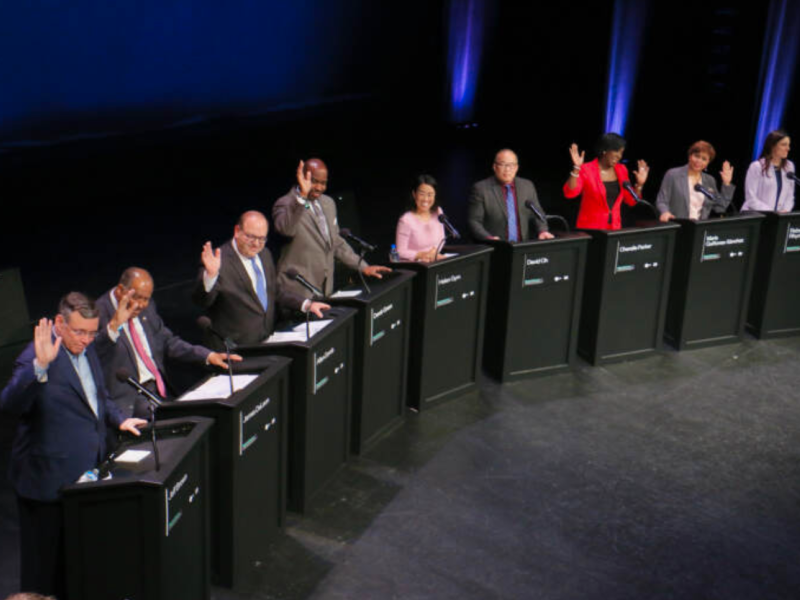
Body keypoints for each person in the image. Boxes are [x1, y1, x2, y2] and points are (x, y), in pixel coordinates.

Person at [0, 292, 146, 598]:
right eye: (79, 332)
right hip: (46, 484)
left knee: (76, 561)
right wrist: (39, 366)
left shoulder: (86, 347)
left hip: (83, 477)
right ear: (59, 323)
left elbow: (98, 394)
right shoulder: (34, 357)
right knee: (43, 572)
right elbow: (10, 404)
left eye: (91, 333)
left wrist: (118, 419)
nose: (86, 339)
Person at [95, 267, 242, 417]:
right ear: (120, 290)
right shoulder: (98, 313)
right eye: (137, 297)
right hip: (129, 402)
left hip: (158, 391)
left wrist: (208, 355)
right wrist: (113, 326)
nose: (141, 304)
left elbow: (167, 342)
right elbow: (93, 358)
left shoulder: (147, 307)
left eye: (146, 299)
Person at [193, 210, 329, 349]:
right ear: (237, 231)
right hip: (234, 350)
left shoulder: (265, 254)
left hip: (266, 341)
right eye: (251, 237)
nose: (256, 244)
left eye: (262, 238)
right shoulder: (218, 260)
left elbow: (274, 291)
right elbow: (201, 301)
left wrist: (306, 304)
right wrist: (210, 277)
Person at [272, 159, 391, 297]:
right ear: (303, 178)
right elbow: (286, 230)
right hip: (297, 291)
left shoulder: (328, 203)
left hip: (324, 290)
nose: (319, 187)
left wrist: (363, 267)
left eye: (323, 183)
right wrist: (302, 197)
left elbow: (335, 242)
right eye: (314, 181)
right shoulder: (285, 204)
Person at [564, 133, 649, 230]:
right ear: (604, 150)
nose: (619, 156)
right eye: (616, 151)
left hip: (614, 229)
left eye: (621, 152)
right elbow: (570, 193)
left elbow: (631, 200)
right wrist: (576, 168)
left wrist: (639, 185)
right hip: (591, 230)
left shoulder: (621, 170)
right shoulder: (586, 169)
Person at [468, 149, 554, 242]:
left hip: (522, 247)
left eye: (512, 165)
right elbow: (474, 221)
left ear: (517, 167)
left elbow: (537, 213)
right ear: (495, 167)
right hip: (494, 247)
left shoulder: (527, 186)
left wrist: (542, 230)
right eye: (503, 164)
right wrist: (489, 238)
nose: (507, 169)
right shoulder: (481, 189)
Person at [656, 141, 735, 221]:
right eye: (697, 156)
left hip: (699, 228)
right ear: (690, 156)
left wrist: (726, 183)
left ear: (708, 163)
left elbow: (720, 207)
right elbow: (662, 201)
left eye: (704, 159)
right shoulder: (673, 175)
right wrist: (665, 212)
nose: (699, 161)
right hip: (677, 225)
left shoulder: (709, 180)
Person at [395, 174, 447, 262]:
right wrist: (421, 255)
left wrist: (434, 251)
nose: (426, 199)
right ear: (414, 194)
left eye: (430, 194)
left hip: (435, 261)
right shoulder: (406, 220)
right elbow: (400, 251)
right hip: (416, 265)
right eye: (422, 194)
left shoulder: (438, 212)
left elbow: (442, 238)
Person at [742, 129, 795, 212]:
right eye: (784, 145)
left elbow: (790, 195)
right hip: (756, 215)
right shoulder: (756, 166)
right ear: (772, 146)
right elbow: (751, 198)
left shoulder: (789, 166)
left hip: (779, 218)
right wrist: (772, 213)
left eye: (789, 145)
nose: (788, 148)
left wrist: (785, 210)